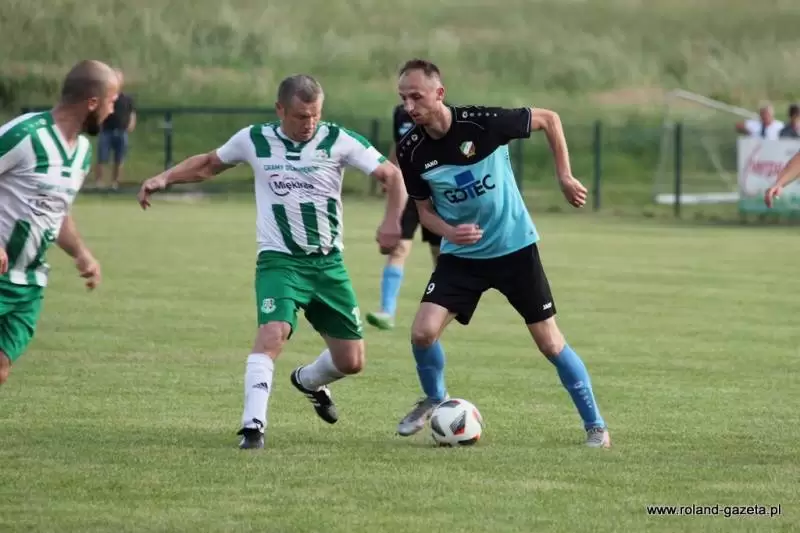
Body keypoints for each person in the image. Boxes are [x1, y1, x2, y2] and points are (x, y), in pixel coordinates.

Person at [137, 74, 406, 450]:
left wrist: (392, 222)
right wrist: (164, 178)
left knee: (351, 361)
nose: (309, 123)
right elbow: (209, 164)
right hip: (279, 261)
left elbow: (392, 176)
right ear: (280, 110)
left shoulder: (338, 139)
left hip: (328, 264)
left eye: (315, 115)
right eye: (301, 116)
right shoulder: (255, 139)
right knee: (272, 334)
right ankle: (253, 427)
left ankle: (308, 381)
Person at [392, 59, 611, 448]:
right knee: (422, 333)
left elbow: (550, 119)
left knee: (550, 343)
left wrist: (564, 176)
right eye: (403, 98)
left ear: (439, 93)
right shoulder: (411, 150)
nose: (409, 106)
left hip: (514, 249)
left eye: (417, 97)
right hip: (462, 256)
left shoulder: (482, 123)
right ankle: (434, 397)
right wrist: (450, 232)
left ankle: (595, 426)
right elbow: (425, 212)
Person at [0, 60, 116, 386]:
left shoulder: (82, 152)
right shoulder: (25, 134)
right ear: (92, 102)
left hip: (29, 282)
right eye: (110, 102)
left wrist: (81, 253)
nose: (112, 111)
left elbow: (56, 211)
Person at [366, 104, 442, 331]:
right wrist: (389, 173)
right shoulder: (400, 113)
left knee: (440, 255)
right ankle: (387, 312)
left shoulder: (443, 112)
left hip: (437, 193)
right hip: (408, 191)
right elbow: (398, 145)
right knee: (398, 248)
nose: (409, 100)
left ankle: (446, 307)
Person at [94, 69, 136, 189]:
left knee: (119, 159)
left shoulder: (127, 98)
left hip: (122, 131)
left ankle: (115, 183)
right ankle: (99, 182)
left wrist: (131, 123)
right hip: (106, 131)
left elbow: (132, 112)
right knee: (102, 158)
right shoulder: (105, 97)